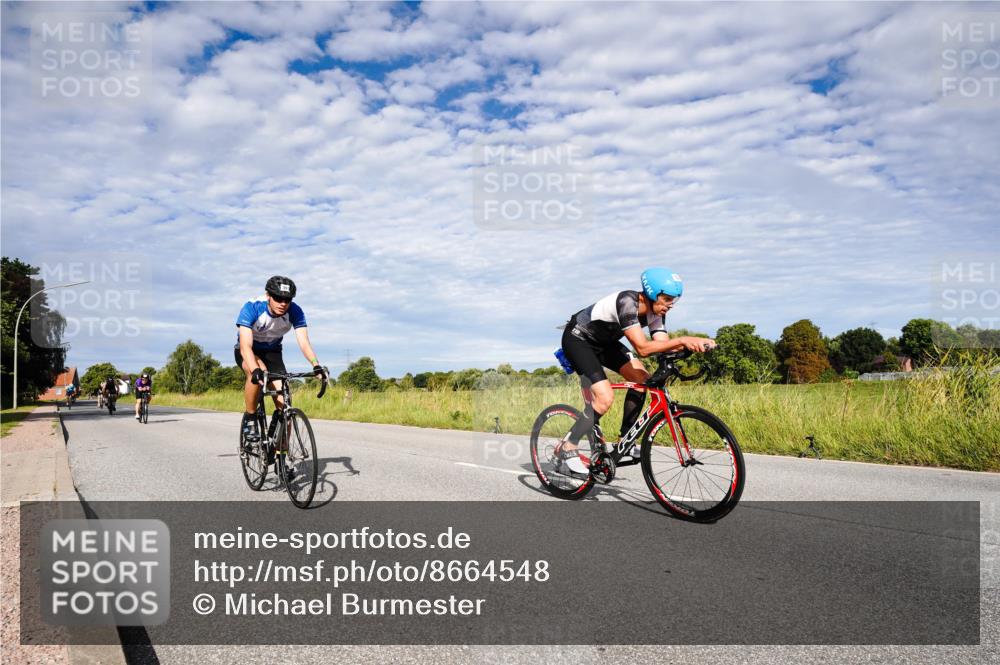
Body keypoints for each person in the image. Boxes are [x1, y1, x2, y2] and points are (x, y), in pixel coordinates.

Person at [556, 268, 717, 475]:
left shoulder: (657, 312)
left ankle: (625, 441)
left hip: (605, 344)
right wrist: (683, 340)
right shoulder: (627, 302)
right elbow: (642, 348)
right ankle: (568, 446)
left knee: (642, 380)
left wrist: (694, 344)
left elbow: (662, 345)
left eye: (673, 301)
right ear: (651, 293)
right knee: (604, 398)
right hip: (578, 338)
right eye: (667, 299)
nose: (670, 305)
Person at [235, 276, 325, 443]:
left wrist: (316, 365)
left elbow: (304, 342)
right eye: (278, 298)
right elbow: (245, 346)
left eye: (287, 299)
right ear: (268, 296)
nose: (283, 303)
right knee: (257, 373)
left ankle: (281, 455)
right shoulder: (252, 307)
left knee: (285, 406)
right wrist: (255, 369)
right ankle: (251, 417)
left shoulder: (295, 311)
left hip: (273, 352)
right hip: (249, 350)